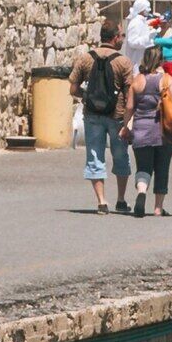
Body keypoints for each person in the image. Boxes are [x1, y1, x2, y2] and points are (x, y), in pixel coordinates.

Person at [70, 19, 133, 213]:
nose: (122, 38)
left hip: (92, 115)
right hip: (117, 116)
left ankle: (101, 201)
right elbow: (130, 94)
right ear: (115, 38)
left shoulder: (85, 58)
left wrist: (87, 97)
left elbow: (73, 88)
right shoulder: (123, 62)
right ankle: (121, 200)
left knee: (95, 155)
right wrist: (128, 121)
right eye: (121, 35)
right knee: (121, 156)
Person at [125, 42, 172, 216]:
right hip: (163, 130)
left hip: (141, 130)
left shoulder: (137, 81)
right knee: (162, 166)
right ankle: (158, 208)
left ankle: (141, 192)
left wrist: (125, 126)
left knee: (143, 167)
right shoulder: (166, 80)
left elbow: (129, 107)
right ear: (161, 61)